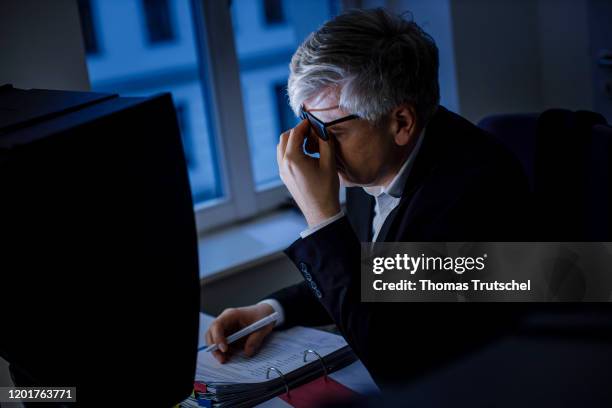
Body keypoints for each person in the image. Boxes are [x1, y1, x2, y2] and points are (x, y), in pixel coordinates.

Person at [205, 8, 530, 386]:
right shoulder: (376, 162)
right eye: (309, 125)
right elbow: (375, 278)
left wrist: (323, 219)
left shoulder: (472, 195)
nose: (317, 148)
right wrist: (272, 310)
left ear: (401, 123)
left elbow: (396, 360)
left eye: (329, 130)